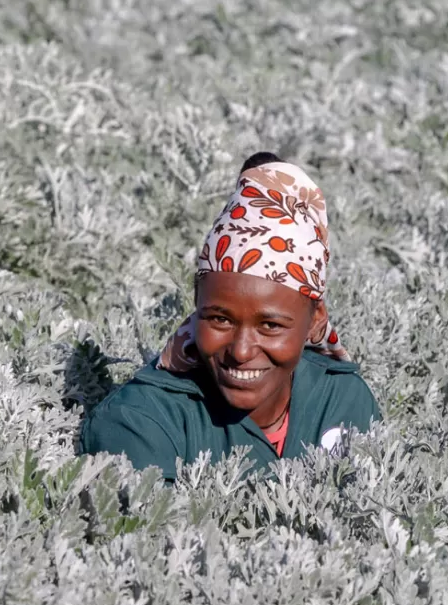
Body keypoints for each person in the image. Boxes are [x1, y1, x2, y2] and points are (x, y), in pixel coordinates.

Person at [81, 152, 379, 480]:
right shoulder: (138, 422)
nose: (240, 351)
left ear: (316, 321)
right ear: (197, 305)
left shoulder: (344, 400)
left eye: (270, 325)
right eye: (220, 319)